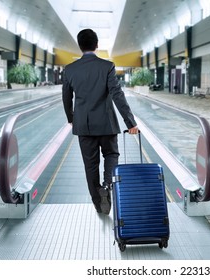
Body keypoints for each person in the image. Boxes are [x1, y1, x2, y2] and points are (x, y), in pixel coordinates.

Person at [62, 29, 139, 214]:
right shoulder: (107, 66)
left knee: (90, 165)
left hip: (84, 126)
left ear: (80, 47)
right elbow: (117, 95)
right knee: (111, 155)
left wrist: (71, 119)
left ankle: (99, 204)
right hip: (107, 124)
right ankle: (107, 185)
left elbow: (66, 98)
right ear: (97, 45)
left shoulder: (70, 69)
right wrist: (130, 123)